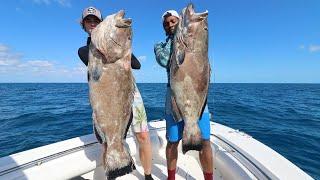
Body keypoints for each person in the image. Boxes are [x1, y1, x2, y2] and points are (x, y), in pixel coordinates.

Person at [78, 7, 153, 180]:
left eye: (96, 20)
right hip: (105, 98)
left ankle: (148, 176)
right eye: (89, 21)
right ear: (83, 25)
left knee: (143, 135)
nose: (92, 23)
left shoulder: (117, 48)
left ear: (102, 23)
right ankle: (111, 174)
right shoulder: (84, 51)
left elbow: (136, 65)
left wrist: (125, 47)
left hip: (129, 93)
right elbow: (97, 68)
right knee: (107, 142)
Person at [154, 10, 213, 180]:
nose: (170, 25)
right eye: (167, 23)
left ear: (179, 22)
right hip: (174, 96)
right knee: (173, 142)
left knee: (205, 141)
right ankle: (171, 178)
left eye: (173, 21)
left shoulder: (193, 41)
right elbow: (164, 60)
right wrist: (177, 42)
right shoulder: (160, 46)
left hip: (198, 97)